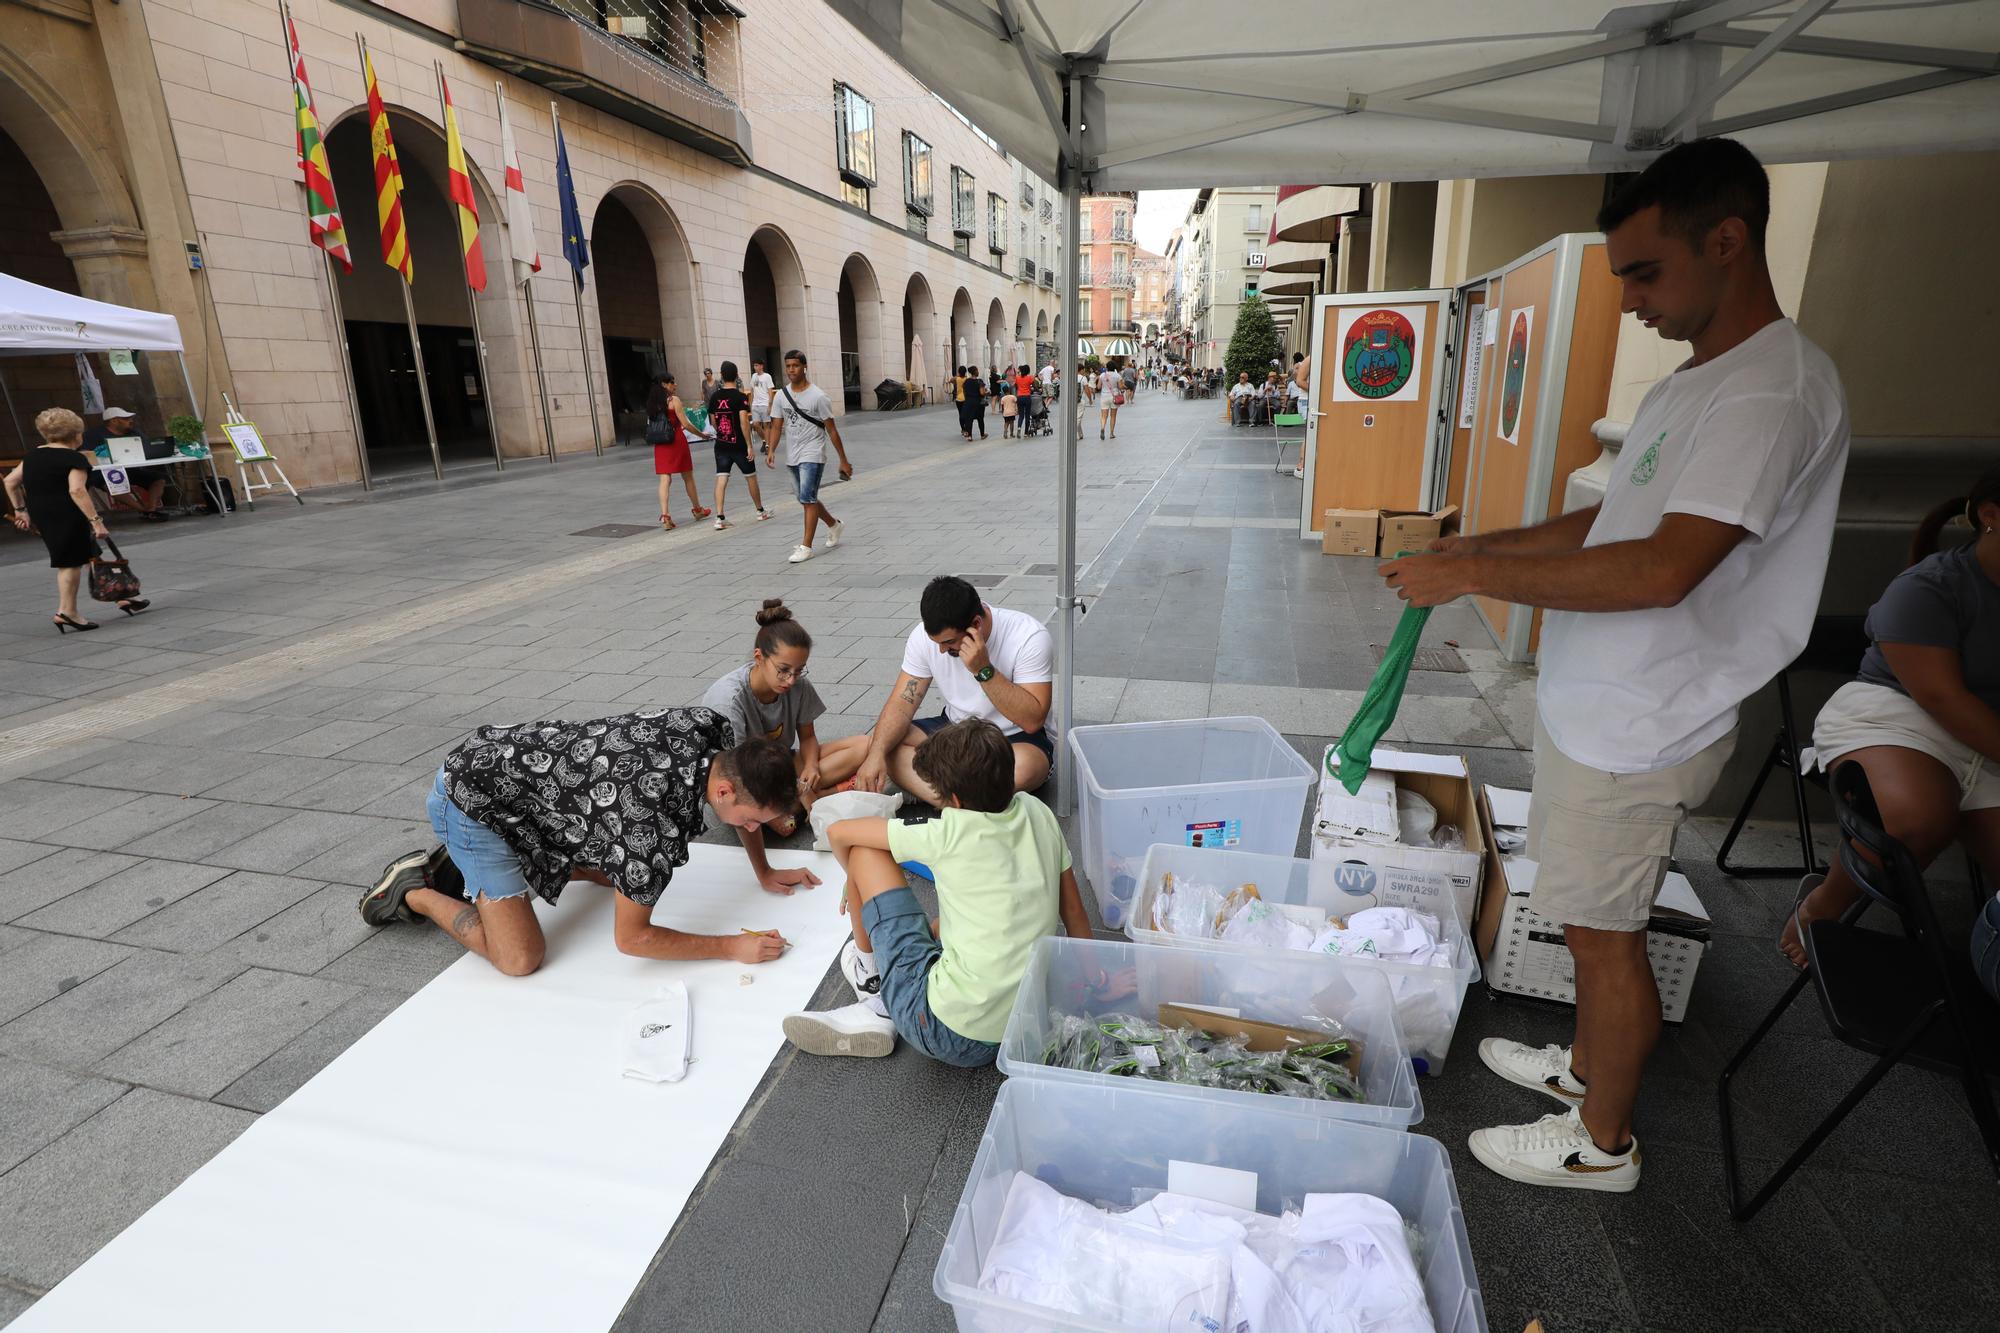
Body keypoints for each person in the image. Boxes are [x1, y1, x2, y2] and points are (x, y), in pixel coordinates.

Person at [1379, 138, 1850, 1193]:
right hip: (1595, 708)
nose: (1630, 299)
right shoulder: (1695, 384)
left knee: (1603, 934)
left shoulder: (1767, 393)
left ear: (1724, 240)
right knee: (1585, 912)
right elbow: (1599, 527)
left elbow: (1659, 570)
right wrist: (1469, 555)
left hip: (1645, 719)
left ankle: (1602, 1140)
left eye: (1644, 271)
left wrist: (1471, 579)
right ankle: (1586, 1069)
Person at [360, 708, 816, 977]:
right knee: (520, 958)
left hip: (516, 778)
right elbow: (633, 938)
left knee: (611, 876)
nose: (753, 830)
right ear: (723, 792)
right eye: (753, 821)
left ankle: (489, 864)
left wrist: (764, 870)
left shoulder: (711, 733)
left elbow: (743, 801)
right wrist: (729, 948)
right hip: (471, 801)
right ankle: (416, 888)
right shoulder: (647, 825)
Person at [1778, 469, 2000, 968]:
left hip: (1989, 740)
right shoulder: (1928, 587)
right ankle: (1822, 907)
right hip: (1899, 716)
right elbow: (1944, 700)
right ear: (1991, 516)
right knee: (1915, 818)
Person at [782, 719, 1092, 1060]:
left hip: (945, 1031)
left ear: (955, 800)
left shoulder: (947, 833)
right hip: (1022, 1024)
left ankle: (873, 991)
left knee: (865, 852)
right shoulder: (1039, 813)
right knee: (938, 925)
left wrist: (853, 877)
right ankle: (894, 976)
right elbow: (1074, 914)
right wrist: (1088, 987)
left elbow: (840, 833)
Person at [812, 574, 1055, 804]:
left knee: (1023, 770)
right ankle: (963, 800)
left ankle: (924, 790)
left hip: (1014, 738)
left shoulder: (1028, 635)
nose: (941, 650)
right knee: (884, 740)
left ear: (976, 625)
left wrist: (984, 669)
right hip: (955, 729)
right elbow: (901, 705)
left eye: (949, 642)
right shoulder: (923, 637)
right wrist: (875, 756)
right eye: (936, 642)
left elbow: (1032, 720)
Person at [4, 406, 148, 632]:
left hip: (43, 512)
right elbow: (77, 491)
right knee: (70, 562)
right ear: (76, 434)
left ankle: (121, 596)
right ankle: (66, 612)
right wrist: (96, 521)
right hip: (68, 513)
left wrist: (21, 510)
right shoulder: (74, 458)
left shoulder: (32, 456)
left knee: (91, 553)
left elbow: (10, 482)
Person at [701, 599, 826, 837]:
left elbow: (808, 736)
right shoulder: (728, 700)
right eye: (783, 670)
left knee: (862, 747)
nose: (791, 679)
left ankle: (807, 799)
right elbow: (733, 775)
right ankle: (819, 796)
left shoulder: (799, 686)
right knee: (781, 826)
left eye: (799, 670)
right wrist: (800, 788)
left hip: (779, 765)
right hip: (744, 780)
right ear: (759, 657)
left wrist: (810, 767)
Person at [764, 349, 847, 565]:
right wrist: (771, 449)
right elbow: (776, 425)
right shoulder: (781, 395)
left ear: (804, 367)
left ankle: (806, 547)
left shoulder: (818, 396)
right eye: (788, 366)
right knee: (805, 497)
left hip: (813, 452)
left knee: (808, 499)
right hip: (793, 454)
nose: (791, 370)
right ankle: (834, 524)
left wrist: (843, 459)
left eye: (795, 366)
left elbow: (832, 430)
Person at [706, 360, 770, 531]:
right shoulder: (740, 397)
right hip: (739, 445)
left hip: (721, 444)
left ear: (721, 375)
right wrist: (749, 444)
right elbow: (743, 421)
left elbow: (713, 421)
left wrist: (721, 433)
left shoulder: (714, 397)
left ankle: (719, 517)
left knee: (721, 477)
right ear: (736, 376)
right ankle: (760, 511)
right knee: (750, 477)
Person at [649, 373, 711, 530]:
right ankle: (697, 509)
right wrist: (702, 435)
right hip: (676, 440)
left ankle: (665, 515)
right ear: (664, 384)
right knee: (688, 476)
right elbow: (686, 424)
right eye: (672, 382)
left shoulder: (652, 402)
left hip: (661, 443)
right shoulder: (673, 400)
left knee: (665, 479)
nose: (675, 385)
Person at [82, 407, 168, 519]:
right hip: (105, 472)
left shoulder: (134, 432)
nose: (130, 420)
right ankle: (142, 510)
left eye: (130, 418)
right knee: (113, 483)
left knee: (158, 479)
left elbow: (147, 446)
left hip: (131, 469)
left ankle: (152, 509)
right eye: (126, 418)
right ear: (113, 421)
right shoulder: (93, 435)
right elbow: (84, 452)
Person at [749, 358, 777, 452]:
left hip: (765, 404)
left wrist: (770, 405)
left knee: (766, 425)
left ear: (761, 366)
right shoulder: (753, 376)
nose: (755, 367)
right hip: (755, 404)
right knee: (756, 425)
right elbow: (752, 391)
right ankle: (765, 440)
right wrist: (751, 404)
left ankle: (768, 446)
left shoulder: (767, 376)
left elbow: (770, 391)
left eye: (756, 365)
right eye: (754, 365)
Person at [1097, 363, 1123, 440]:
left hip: (1104, 397)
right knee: (1113, 416)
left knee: (1104, 416)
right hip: (1114, 396)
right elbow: (1121, 387)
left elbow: (1098, 387)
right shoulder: (1117, 375)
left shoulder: (1102, 375)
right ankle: (1111, 433)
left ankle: (1102, 428)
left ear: (1107, 367)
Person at [964, 363, 989, 440]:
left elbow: (964, 391)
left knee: (969, 419)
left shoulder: (967, 381)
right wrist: (987, 392)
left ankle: (970, 436)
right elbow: (982, 393)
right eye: (977, 370)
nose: (978, 371)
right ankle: (982, 434)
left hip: (968, 402)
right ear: (975, 371)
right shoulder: (979, 381)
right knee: (980, 419)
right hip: (978, 402)